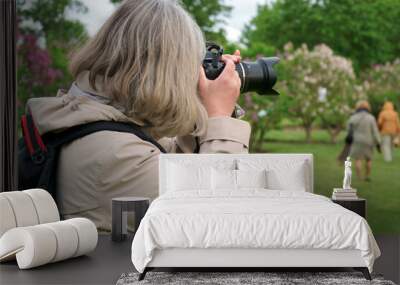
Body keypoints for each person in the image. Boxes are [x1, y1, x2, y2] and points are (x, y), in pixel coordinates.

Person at [26, 0, 250, 230]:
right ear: (164, 73)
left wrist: (207, 109)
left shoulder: (94, 113)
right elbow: (218, 215)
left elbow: (170, 161)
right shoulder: (114, 154)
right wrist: (220, 117)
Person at [347, 100, 381, 181]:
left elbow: (348, 129)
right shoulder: (371, 118)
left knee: (358, 159)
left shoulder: (353, 117)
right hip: (368, 141)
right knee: (369, 159)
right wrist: (378, 142)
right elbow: (375, 131)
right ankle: (367, 176)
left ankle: (359, 177)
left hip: (356, 140)